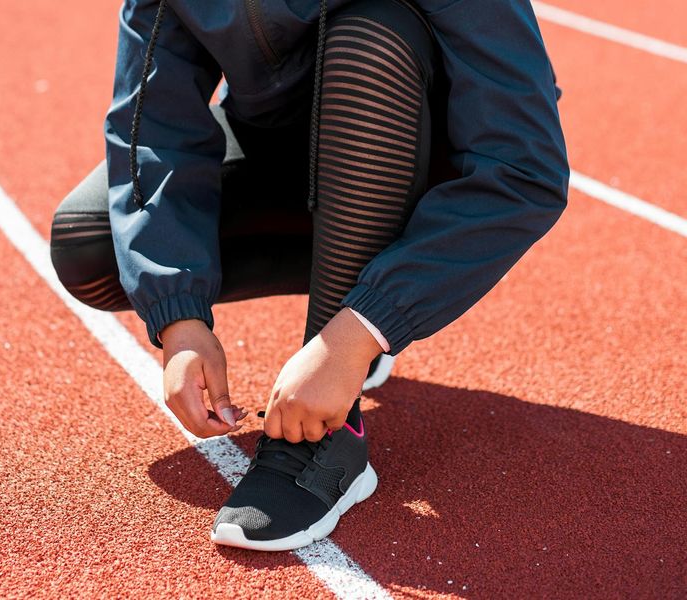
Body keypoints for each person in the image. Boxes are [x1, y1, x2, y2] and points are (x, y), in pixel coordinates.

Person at [50, 0, 568, 551]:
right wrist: (178, 314)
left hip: (410, 148)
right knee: (93, 249)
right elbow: (152, 130)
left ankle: (330, 433)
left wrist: (355, 335)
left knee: (374, 37)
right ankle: (368, 284)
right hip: (281, 145)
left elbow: (523, 168)